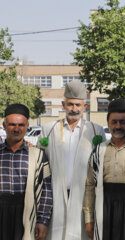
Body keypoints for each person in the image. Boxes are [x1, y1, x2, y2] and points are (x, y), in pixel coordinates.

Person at [40, 81, 105, 239]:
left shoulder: (96, 130)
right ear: (63, 104)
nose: (74, 109)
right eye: (70, 104)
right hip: (55, 195)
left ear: (85, 107)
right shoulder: (49, 130)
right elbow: (41, 163)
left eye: (78, 105)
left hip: (84, 197)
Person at [83, 99, 125, 240]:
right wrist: (89, 218)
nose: (118, 126)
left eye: (122, 122)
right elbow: (90, 186)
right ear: (108, 124)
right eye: (114, 122)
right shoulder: (99, 150)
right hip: (103, 209)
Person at [0, 104, 52, 240]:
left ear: (27, 126)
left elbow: (46, 191)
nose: (17, 129)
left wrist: (43, 221)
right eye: (12, 124)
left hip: (26, 211)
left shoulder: (38, 155)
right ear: (4, 125)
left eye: (21, 125)